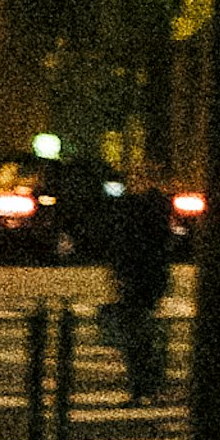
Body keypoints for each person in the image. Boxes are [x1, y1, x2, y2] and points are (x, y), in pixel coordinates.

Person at [97, 171, 173, 406]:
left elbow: (124, 246)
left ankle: (143, 386)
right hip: (146, 279)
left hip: (138, 279)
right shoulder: (156, 210)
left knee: (136, 336)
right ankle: (148, 385)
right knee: (143, 334)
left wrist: (121, 274)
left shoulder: (135, 211)